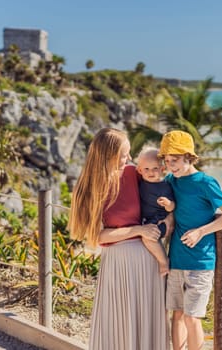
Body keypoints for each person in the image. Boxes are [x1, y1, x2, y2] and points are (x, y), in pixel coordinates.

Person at [68, 128, 169, 350]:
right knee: (120, 326)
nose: (129, 159)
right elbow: (97, 236)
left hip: (147, 259)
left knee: (147, 324)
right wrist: (138, 231)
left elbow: (168, 182)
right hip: (117, 263)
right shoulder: (88, 189)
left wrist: (169, 220)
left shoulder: (134, 172)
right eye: (124, 154)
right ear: (107, 155)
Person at [158, 130, 222, 350]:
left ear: (188, 157)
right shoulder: (171, 181)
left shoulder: (206, 182)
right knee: (177, 315)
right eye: (166, 160)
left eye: (174, 160)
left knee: (192, 318)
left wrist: (201, 231)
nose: (170, 165)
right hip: (176, 260)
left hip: (201, 262)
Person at [136, 147, 175, 276]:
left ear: (162, 169)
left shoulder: (164, 186)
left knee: (147, 238)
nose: (151, 172)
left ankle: (163, 262)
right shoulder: (140, 182)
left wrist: (168, 204)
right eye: (146, 169)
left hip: (160, 220)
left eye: (155, 169)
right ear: (140, 170)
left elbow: (173, 206)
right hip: (146, 220)